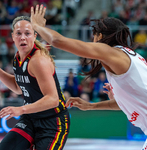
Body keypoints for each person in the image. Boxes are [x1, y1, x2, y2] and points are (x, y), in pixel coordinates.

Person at [30, 5, 147, 149]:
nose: (93, 39)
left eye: (94, 35)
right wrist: (91, 106)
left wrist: (36, 26)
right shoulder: (131, 58)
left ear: (101, 36)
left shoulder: (110, 52)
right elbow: (129, 103)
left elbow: (57, 41)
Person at [0, 16, 70, 150]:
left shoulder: (38, 60)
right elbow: (18, 87)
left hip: (53, 122)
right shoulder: (17, 58)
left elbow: (53, 99)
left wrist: (20, 109)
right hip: (30, 119)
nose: (23, 37)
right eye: (18, 33)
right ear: (13, 36)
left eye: (27, 33)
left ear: (34, 36)